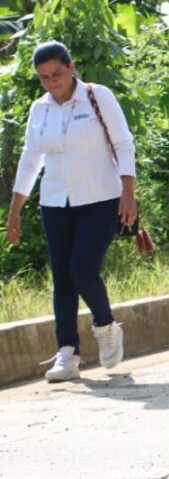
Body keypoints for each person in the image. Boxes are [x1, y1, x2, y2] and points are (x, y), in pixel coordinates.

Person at [5, 41, 133, 382]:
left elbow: (123, 143)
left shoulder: (97, 96)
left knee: (82, 269)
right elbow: (31, 158)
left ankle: (105, 325)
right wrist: (15, 209)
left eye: (57, 74)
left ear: (71, 66)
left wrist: (129, 193)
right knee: (62, 278)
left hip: (101, 198)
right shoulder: (40, 109)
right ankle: (68, 353)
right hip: (55, 202)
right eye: (44, 78)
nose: (51, 82)